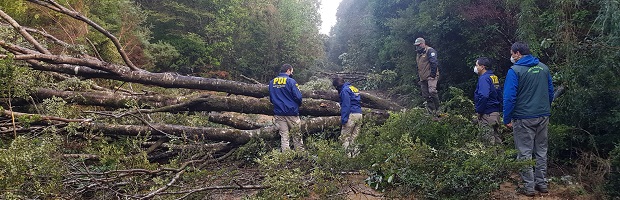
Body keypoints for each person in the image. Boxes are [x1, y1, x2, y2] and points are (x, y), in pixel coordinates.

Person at [503, 42, 554, 196]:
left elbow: (509, 97)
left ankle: (529, 187)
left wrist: (507, 118)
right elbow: (550, 92)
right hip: (543, 115)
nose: (511, 57)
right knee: (541, 151)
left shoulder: (515, 71)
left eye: (512, 54)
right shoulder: (544, 68)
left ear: (518, 53)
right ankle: (542, 184)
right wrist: (545, 108)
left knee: (525, 152)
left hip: (523, 117)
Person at [269, 64, 304, 152]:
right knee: (296, 135)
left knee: (284, 136)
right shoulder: (291, 81)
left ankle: (286, 157)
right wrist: (298, 105)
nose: (292, 73)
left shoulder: (272, 82)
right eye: (292, 71)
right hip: (291, 112)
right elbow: (298, 96)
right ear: (288, 70)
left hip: (279, 112)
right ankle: (300, 154)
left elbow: (271, 98)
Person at [473, 57, 502, 145]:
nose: (475, 67)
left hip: (487, 114)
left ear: (482, 67)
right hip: (495, 113)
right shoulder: (493, 77)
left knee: (488, 142)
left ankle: (493, 159)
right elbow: (499, 94)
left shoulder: (484, 78)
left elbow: (483, 95)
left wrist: (479, 111)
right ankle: (501, 158)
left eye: (476, 65)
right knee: (497, 140)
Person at [332, 77, 363, 157]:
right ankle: (355, 157)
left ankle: (347, 158)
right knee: (355, 137)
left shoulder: (345, 90)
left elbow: (346, 105)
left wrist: (344, 119)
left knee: (345, 137)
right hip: (359, 114)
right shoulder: (353, 88)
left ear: (337, 85)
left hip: (351, 115)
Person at [414, 37, 440, 116]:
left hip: (431, 76)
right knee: (426, 95)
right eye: (416, 45)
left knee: (432, 91)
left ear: (422, 44)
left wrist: (432, 75)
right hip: (423, 78)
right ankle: (431, 112)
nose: (417, 47)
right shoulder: (419, 54)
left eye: (418, 45)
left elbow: (434, 63)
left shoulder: (430, 51)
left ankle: (439, 109)